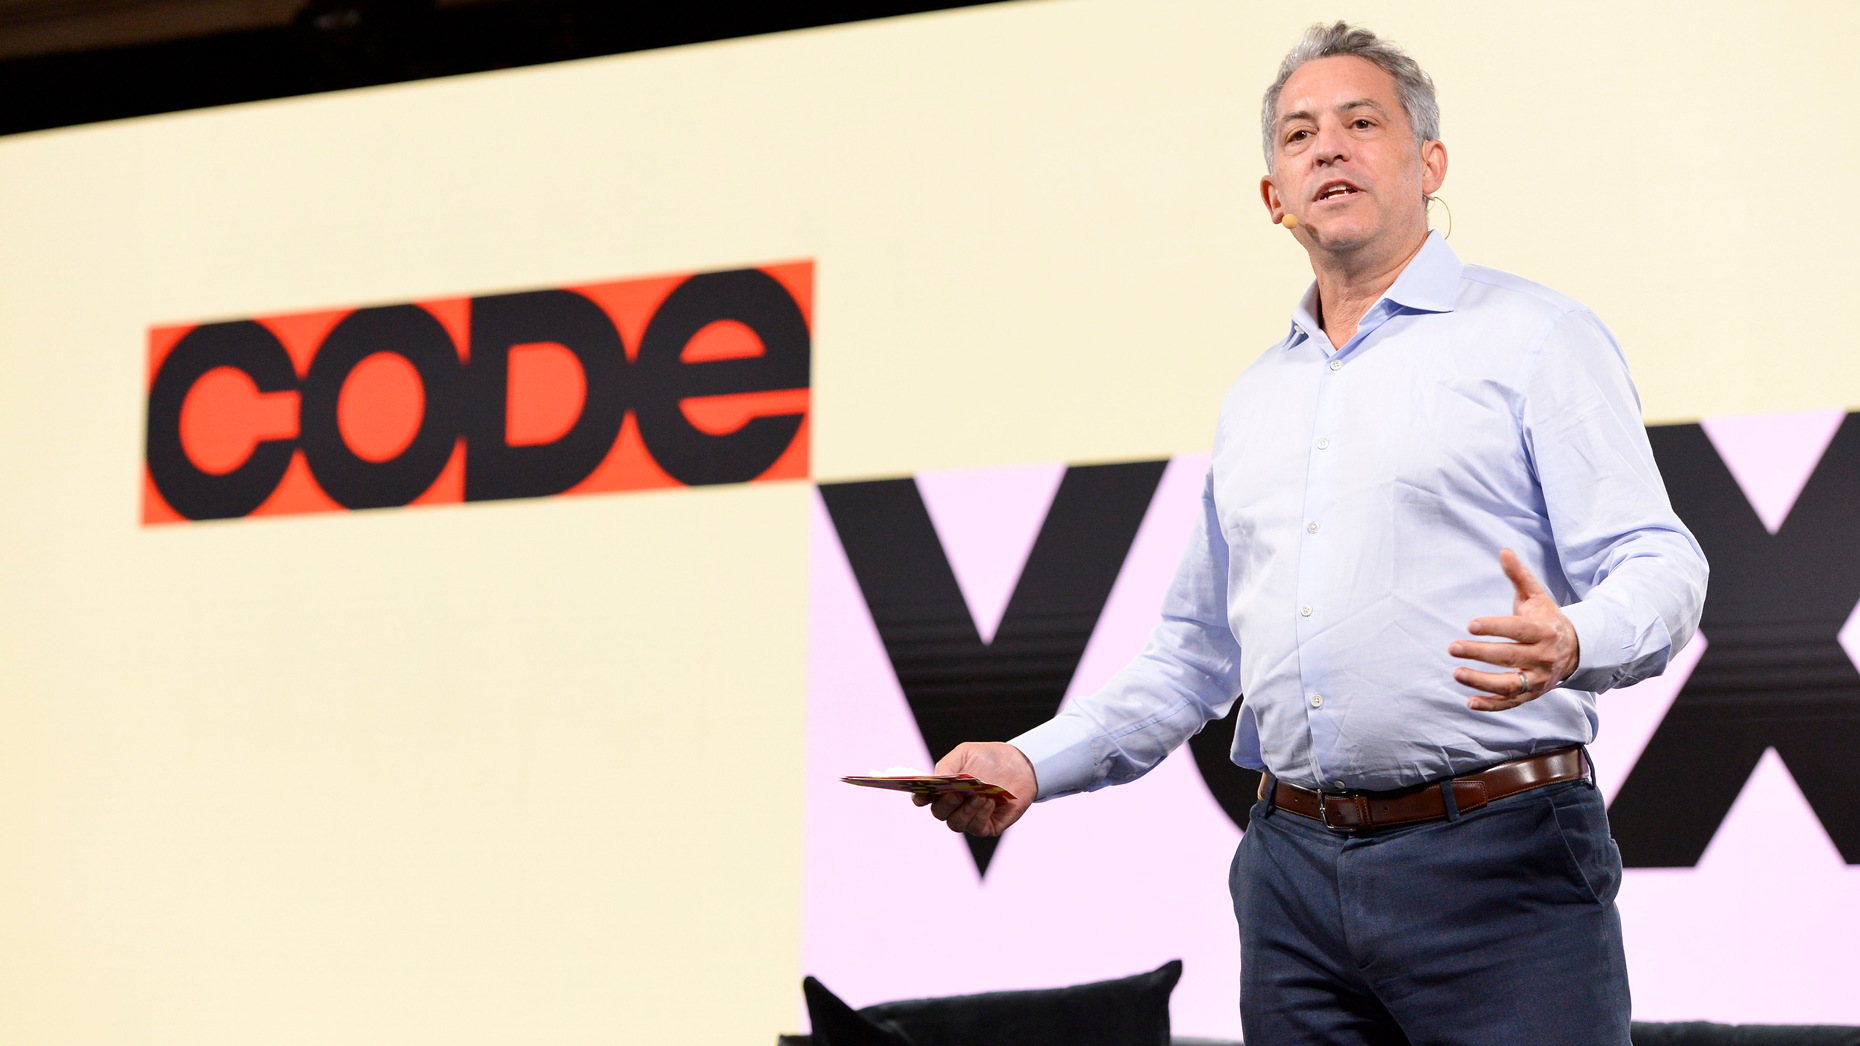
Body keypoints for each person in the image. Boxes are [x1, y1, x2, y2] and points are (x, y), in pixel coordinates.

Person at [912, 21, 1709, 1045]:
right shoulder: (1254, 401)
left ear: (1430, 164)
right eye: (1297, 135)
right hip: (1290, 879)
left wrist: (1577, 638)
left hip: (1502, 865)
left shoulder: (1537, 338)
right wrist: (1028, 763)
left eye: (1360, 122)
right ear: (1272, 197)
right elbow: (1190, 659)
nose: (1326, 146)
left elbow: (1661, 560)